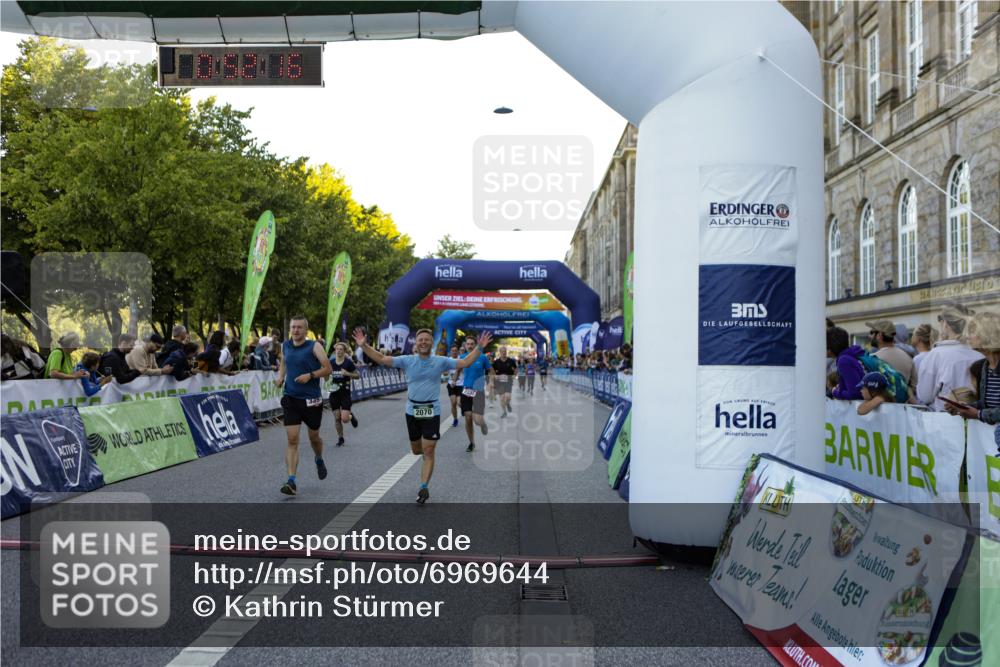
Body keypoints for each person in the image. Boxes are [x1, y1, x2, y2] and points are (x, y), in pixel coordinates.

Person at [354, 326, 492, 504]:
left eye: (427, 339)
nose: (424, 342)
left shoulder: (440, 361)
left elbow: (464, 363)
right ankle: (423, 468)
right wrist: (364, 345)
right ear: (416, 344)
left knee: (428, 450)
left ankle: (424, 486)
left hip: (431, 411)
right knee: (416, 450)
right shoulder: (407, 360)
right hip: (412, 411)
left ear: (431, 343)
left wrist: (479, 347)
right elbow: (381, 358)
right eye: (420, 340)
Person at [275, 316, 333, 496]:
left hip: (311, 400)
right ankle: (291, 481)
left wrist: (310, 375)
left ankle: (318, 458)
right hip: (291, 398)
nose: (295, 330)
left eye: (299, 327)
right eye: (293, 327)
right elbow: (284, 362)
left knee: (314, 437)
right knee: (292, 439)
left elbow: (328, 369)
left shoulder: (314, 346)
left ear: (306, 330)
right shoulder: (285, 346)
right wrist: (280, 377)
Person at [915, 304, 984, 411]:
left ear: (945, 324)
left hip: (944, 420)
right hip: (978, 420)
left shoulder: (935, 355)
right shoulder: (980, 354)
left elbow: (925, 396)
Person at [946, 311, 999, 425]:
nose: (967, 336)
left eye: (972, 332)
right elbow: (988, 404)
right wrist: (963, 407)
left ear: (987, 334)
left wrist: (978, 414)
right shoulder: (986, 366)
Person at [458, 335, 492, 453]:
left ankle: (483, 424)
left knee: (477, 420)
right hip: (466, 391)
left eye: (472, 344)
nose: (470, 346)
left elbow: (491, 371)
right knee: (468, 417)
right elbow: (457, 371)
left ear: (475, 345)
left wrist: (490, 384)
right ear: (465, 345)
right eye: (468, 344)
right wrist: (453, 382)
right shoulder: (462, 358)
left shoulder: (482, 358)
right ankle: (471, 442)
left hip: (478, 391)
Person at [866, 319, 916, 388]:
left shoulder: (872, 359)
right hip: (904, 398)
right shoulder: (908, 358)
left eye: (872, 332)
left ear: (879, 335)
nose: (870, 336)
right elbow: (914, 386)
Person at [328, 341, 361, 446]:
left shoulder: (348, 363)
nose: (338, 351)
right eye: (337, 349)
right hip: (334, 393)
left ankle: (350, 416)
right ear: (335, 351)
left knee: (345, 419)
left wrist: (347, 373)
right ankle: (340, 438)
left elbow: (358, 375)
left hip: (345, 393)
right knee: (337, 418)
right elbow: (325, 373)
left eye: (341, 349)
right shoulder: (331, 363)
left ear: (344, 351)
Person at [826, 326, 864, 400]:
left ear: (829, 347)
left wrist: (835, 392)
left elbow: (855, 393)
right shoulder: (850, 355)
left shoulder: (844, 361)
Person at [492, 346, 517, 417]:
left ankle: (508, 403)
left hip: (508, 382)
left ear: (506, 352)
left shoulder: (511, 361)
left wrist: (514, 375)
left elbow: (516, 369)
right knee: (502, 398)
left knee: (508, 397)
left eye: (505, 351)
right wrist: (495, 375)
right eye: (502, 352)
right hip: (499, 382)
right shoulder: (496, 362)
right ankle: (504, 411)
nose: (504, 353)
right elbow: (492, 370)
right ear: (500, 353)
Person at [445, 344, 462, 428]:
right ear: (451, 351)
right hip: (451, 384)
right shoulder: (448, 360)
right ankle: (455, 419)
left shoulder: (461, 359)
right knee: (453, 402)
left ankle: (463, 408)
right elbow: (444, 371)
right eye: (453, 350)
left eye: (456, 350)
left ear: (457, 351)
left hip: (460, 384)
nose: (454, 352)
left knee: (459, 403)